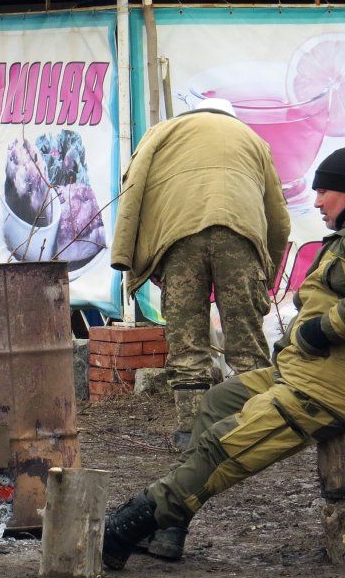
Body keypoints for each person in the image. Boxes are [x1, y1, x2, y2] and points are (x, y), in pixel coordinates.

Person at [103, 147, 345, 568]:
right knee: (218, 403)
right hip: (310, 370)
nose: (316, 202)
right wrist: (297, 336)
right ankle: (172, 523)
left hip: (340, 386)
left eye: (323, 191)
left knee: (226, 444)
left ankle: (128, 525)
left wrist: (319, 330)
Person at [111, 97, 290, 452]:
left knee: (186, 339)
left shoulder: (162, 133)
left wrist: (140, 257)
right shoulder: (252, 139)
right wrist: (266, 271)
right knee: (247, 346)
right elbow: (278, 216)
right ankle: (251, 431)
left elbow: (133, 189)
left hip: (181, 238)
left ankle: (189, 433)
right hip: (240, 235)